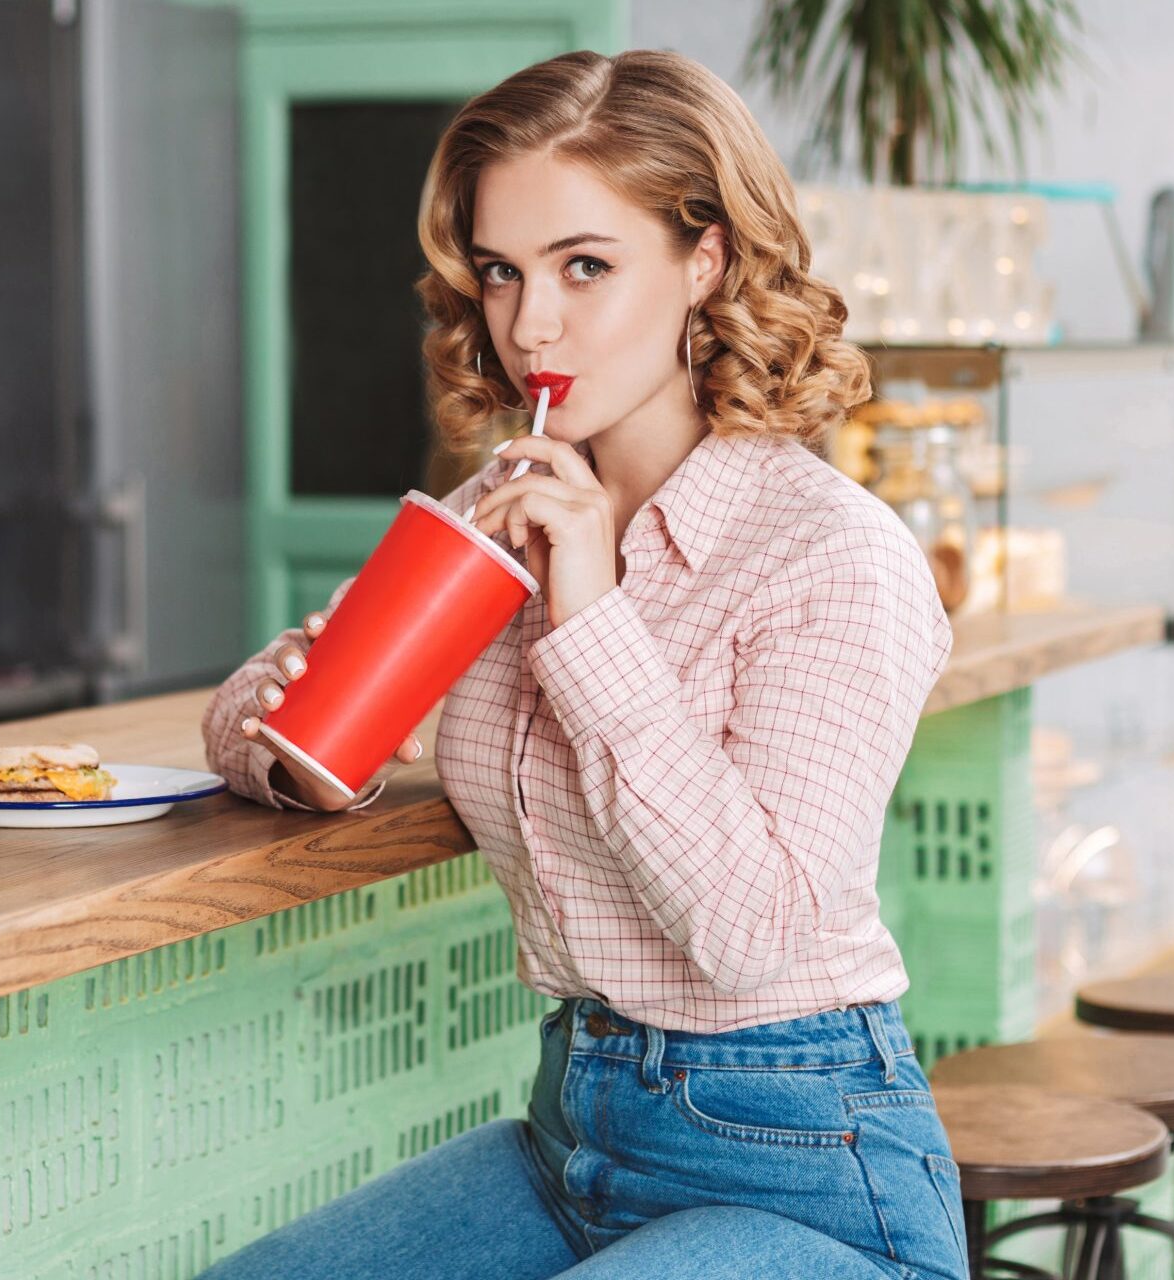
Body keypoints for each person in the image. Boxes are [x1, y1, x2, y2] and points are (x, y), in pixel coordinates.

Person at [197, 48, 961, 1280]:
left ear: (703, 260)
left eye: (584, 267)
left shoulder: (829, 553)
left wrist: (590, 614)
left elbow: (751, 929)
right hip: (577, 1128)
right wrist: (309, 746)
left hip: (803, 1159)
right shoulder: (503, 511)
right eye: (500, 272)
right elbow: (252, 706)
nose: (528, 323)